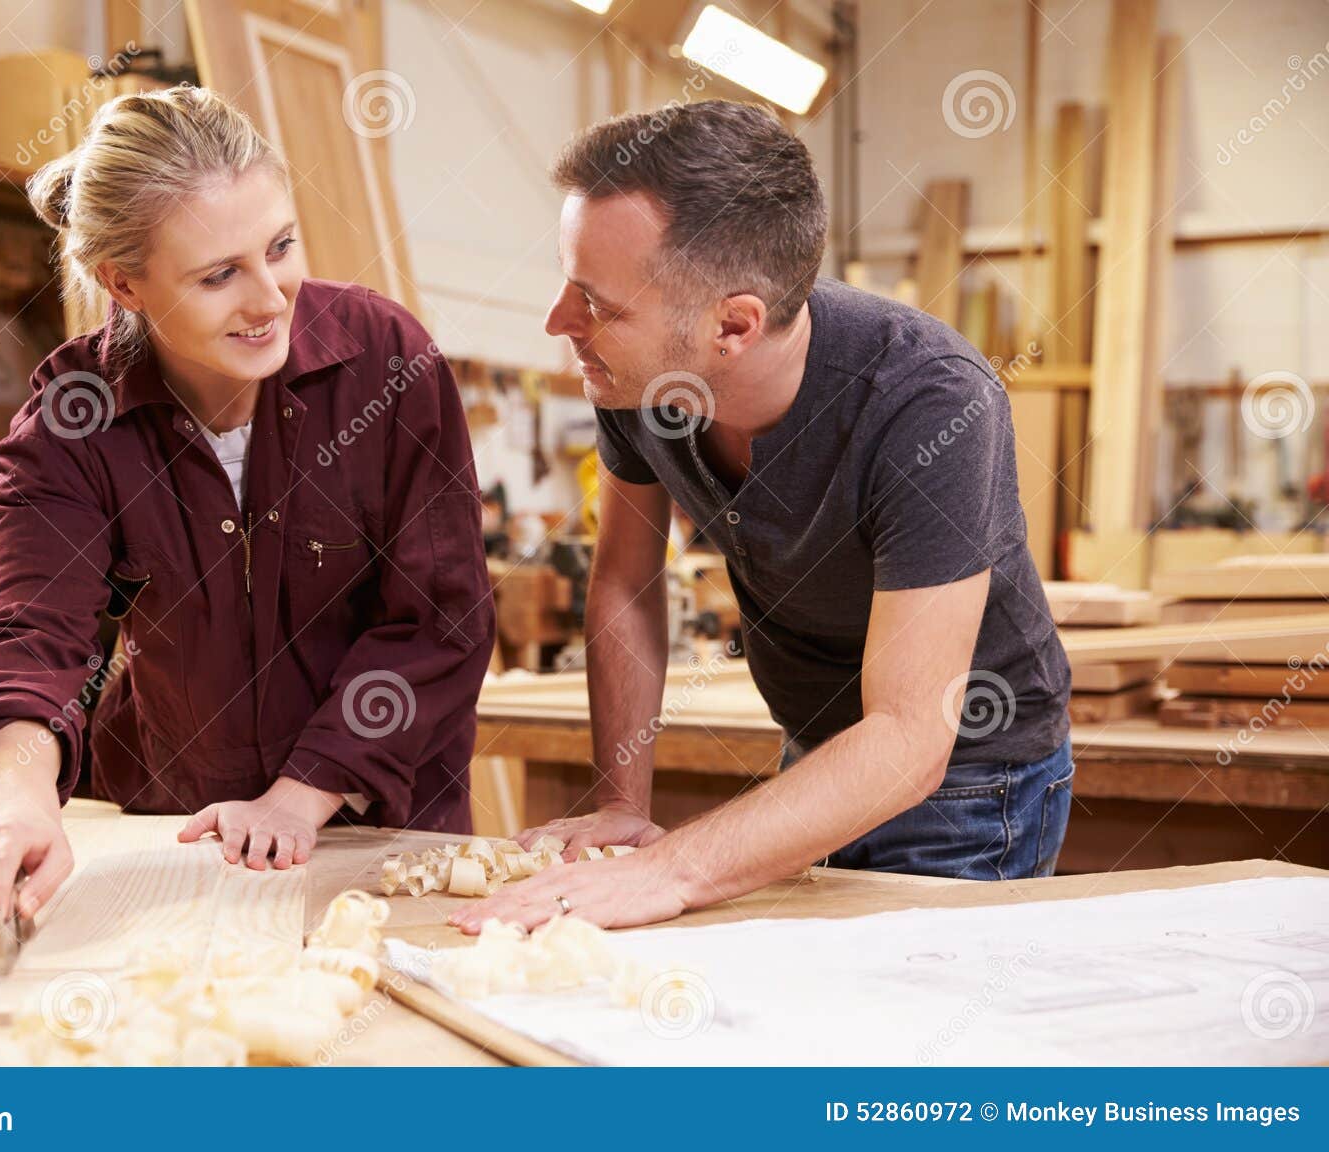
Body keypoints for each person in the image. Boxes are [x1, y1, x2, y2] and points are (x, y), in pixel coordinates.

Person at [453, 100, 1072, 936]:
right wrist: (619, 806)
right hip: (818, 747)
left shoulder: (929, 403)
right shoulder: (638, 375)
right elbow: (628, 581)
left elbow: (907, 738)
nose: (560, 322)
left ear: (734, 325)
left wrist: (669, 870)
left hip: (967, 773)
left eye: (597, 302)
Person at [0, 85, 493, 921]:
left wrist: (296, 801)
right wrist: (20, 798)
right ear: (122, 283)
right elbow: (34, 638)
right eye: (219, 274)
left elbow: (442, 616)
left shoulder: (386, 361)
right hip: (184, 837)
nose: (269, 297)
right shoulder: (75, 417)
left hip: (385, 841)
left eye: (280, 246)